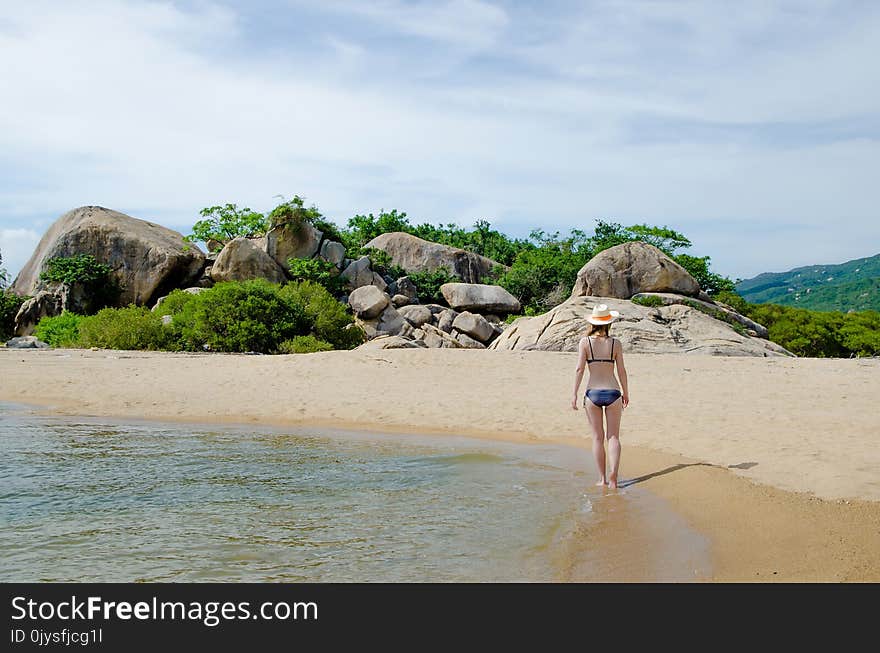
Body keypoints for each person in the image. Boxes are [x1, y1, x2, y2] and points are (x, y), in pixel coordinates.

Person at [571, 304, 629, 489]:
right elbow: (621, 371)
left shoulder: (585, 342)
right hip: (613, 392)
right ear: (608, 323)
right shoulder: (615, 343)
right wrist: (626, 392)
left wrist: (574, 394)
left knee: (597, 438)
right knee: (613, 437)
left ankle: (602, 478)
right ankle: (614, 477)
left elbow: (580, 369)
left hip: (593, 393)